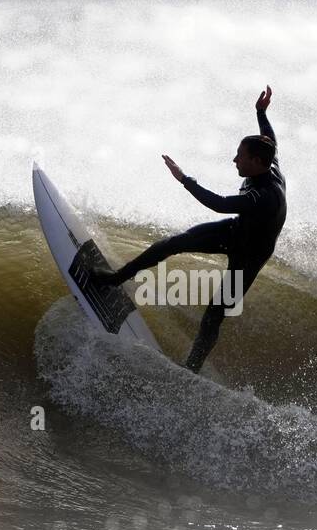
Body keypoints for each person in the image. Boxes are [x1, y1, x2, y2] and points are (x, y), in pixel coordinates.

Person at [92, 86, 287, 372]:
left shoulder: (264, 197)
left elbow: (219, 204)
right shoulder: (269, 161)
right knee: (173, 243)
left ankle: (191, 369)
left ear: (257, 163)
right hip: (236, 231)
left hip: (250, 255)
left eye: (240, 156)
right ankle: (115, 278)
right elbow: (270, 139)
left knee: (214, 315)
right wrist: (260, 112)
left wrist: (184, 178)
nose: (234, 160)